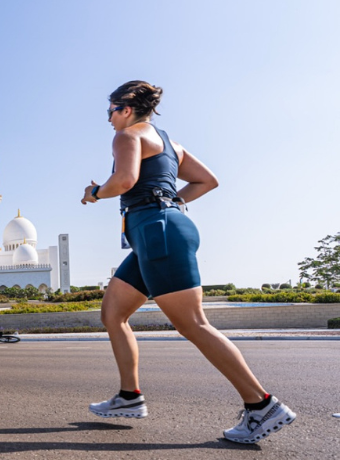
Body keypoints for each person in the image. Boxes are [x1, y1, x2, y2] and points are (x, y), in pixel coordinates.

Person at [81, 80, 295, 444]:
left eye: (111, 111)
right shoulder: (169, 143)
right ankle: (129, 397)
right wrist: (170, 201)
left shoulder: (128, 136)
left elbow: (125, 179)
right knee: (113, 313)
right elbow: (206, 181)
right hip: (158, 233)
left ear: (127, 109)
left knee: (194, 324)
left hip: (157, 233)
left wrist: (95, 192)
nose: (109, 120)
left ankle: (262, 406)